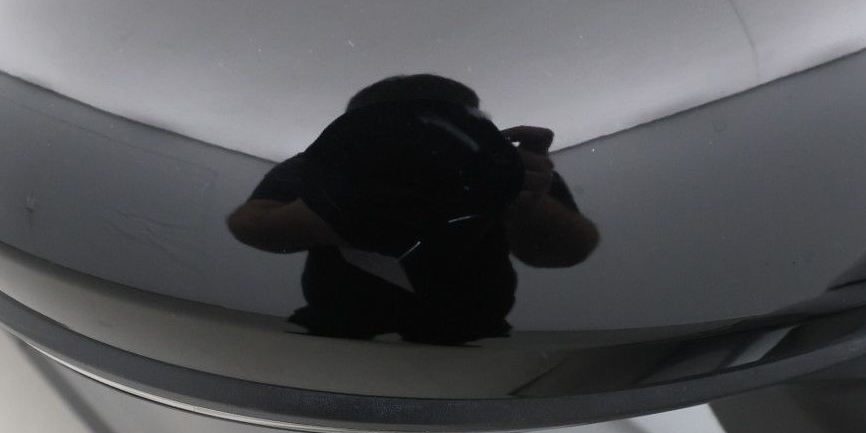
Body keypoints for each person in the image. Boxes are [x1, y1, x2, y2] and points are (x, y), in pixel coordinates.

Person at [227, 74, 598, 344]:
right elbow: (248, 222)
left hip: (470, 332)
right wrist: (324, 215)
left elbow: (572, 248)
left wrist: (523, 204)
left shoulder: (502, 167)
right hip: (338, 324)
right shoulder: (317, 167)